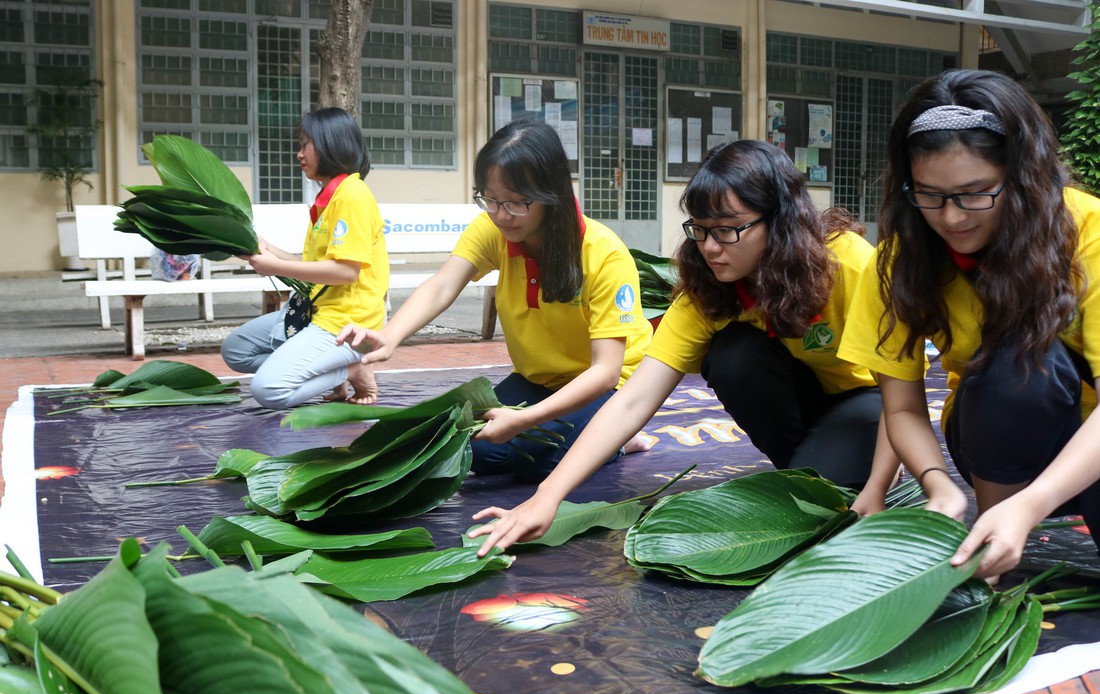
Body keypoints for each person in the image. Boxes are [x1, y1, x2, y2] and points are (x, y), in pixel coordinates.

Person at [468, 139, 902, 555]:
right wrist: (548, 498)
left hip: (864, 402)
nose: (711, 248)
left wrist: (879, 486)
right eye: (701, 230)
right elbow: (633, 400)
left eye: (729, 230)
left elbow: (899, 389)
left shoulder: (846, 263)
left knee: (823, 507)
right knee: (734, 354)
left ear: (780, 220)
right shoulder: (708, 290)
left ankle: (844, 467)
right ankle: (807, 468)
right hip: (802, 407)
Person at [837, 68, 1100, 581]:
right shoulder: (900, 260)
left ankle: (1009, 523)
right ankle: (992, 553)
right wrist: (937, 483)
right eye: (930, 194)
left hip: (1088, 439)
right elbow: (904, 407)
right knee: (1014, 369)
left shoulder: (1085, 233)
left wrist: (1030, 507)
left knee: (1031, 355)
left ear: (1023, 176)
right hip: (995, 426)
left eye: (975, 193)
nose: (952, 218)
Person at [337, 120, 652, 482]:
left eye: (518, 202)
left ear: (553, 194)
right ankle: (586, 435)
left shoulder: (604, 254)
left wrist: (527, 418)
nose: (501, 214)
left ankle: (620, 437)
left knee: (546, 463)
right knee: (471, 448)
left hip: (611, 386)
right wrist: (390, 336)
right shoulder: (492, 230)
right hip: (538, 379)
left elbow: (605, 371)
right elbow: (443, 284)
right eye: (490, 199)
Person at [221, 107, 388, 409]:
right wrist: (266, 249)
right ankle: (332, 374)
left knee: (268, 391)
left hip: (348, 323)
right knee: (236, 351)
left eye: (304, 144)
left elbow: (346, 272)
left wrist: (273, 266)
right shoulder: (329, 198)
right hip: (317, 312)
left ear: (329, 144)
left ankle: (351, 368)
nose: (299, 154)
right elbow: (312, 266)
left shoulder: (351, 196)